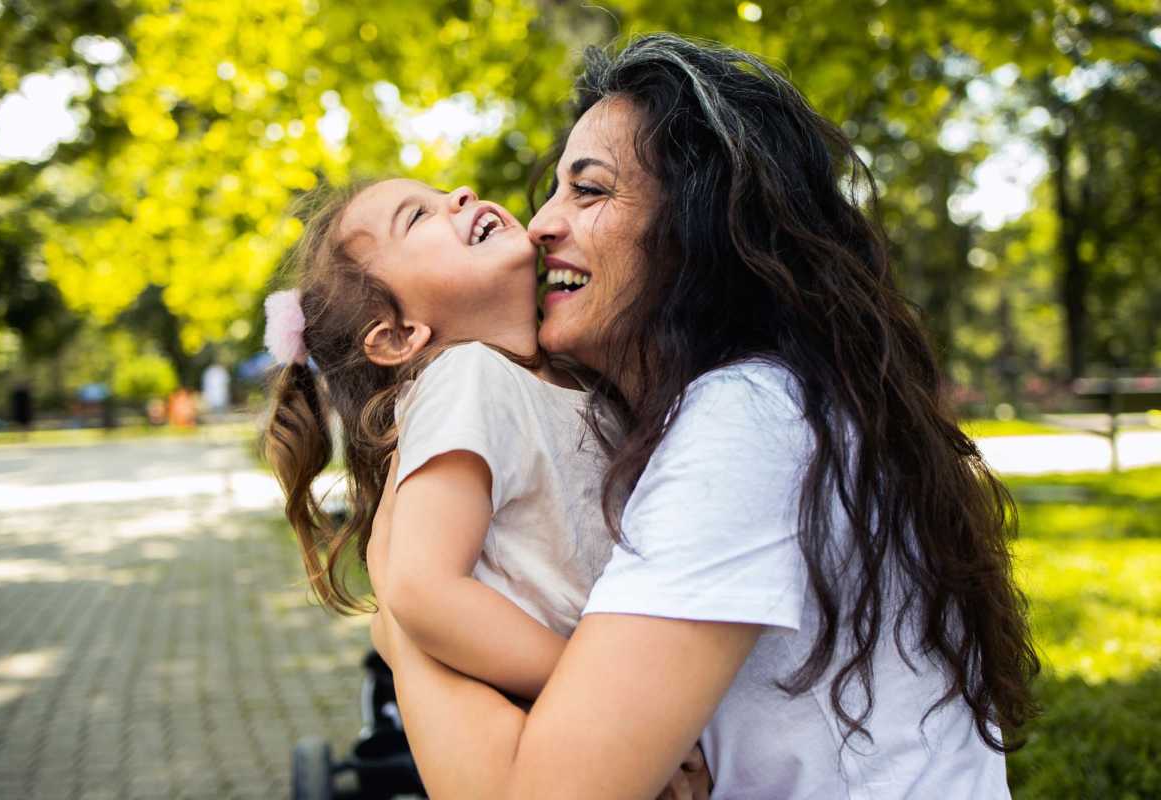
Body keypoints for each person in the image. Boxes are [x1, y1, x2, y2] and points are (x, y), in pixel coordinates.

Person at [365, 33, 1040, 799]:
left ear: (701, 225)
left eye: (588, 191)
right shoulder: (729, 411)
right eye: (553, 190)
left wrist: (404, 605)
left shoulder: (748, 423)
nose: (542, 223)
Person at [261, 179, 708, 797]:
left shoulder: (572, 378)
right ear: (398, 335)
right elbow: (423, 589)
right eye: (418, 216)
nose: (462, 195)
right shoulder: (465, 376)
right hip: (562, 726)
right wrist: (603, 698)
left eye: (445, 193)